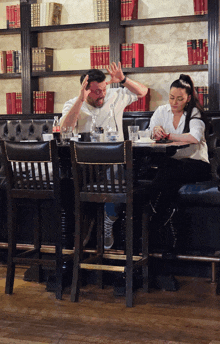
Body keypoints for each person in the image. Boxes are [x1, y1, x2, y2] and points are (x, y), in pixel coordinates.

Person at [60, 61, 148, 249]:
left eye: (102, 89)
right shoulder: (75, 103)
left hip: (114, 160)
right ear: (85, 90)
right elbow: (64, 129)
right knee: (67, 182)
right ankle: (81, 227)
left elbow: (142, 92)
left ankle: (108, 221)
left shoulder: (115, 95)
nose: (101, 94)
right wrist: (80, 100)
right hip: (85, 164)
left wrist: (123, 79)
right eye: (96, 91)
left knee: (118, 174)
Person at [147, 74, 211, 264]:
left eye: (180, 99)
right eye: (171, 97)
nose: (175, 102)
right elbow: (151, 132)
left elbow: (194, 137)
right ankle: (167, 237)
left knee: (166, 171)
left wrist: (168, 136)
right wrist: (156, 131)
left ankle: (151, 221)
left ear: (188, 98)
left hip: (197, 164)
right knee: (167, 176)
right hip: (173, 164)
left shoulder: (194, 113)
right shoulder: (161, 110)